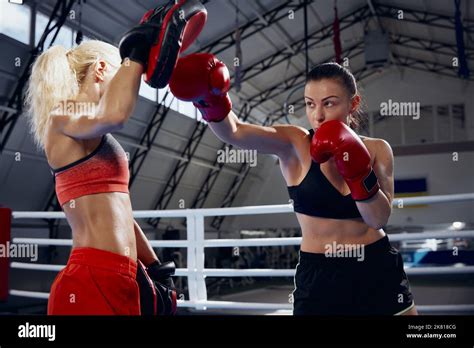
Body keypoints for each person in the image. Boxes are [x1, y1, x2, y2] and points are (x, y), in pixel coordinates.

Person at [169, 53, 417, 315]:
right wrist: (211, 99)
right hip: (319, 274)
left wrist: (357, 170)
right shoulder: (295, 143)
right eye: (310, 104)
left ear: (353, 103)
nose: (318, 115)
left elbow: (378, 219)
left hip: (375, 265)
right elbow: (235, 132)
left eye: (329, 103)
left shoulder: (378, 149)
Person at [24, 0, 206, 315]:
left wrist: (154, 264)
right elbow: (117, 113)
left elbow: (118, 208)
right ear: (101, 69)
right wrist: (135, 53)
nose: (130, 80)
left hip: (124, 274)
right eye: (120, 71)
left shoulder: (96, 133)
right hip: (91, 279)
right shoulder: (62, 115)